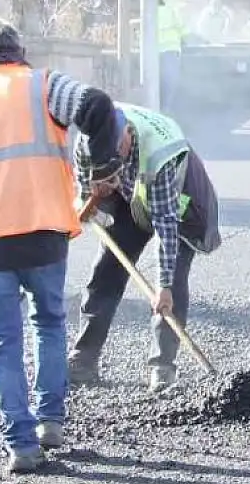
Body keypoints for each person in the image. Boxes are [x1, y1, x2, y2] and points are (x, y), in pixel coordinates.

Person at [0, 18, 119, 474]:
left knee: (3, 340)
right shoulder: (44, 86)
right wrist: (101, 172)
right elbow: (98, 107)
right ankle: (50, 421)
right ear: (19, 50)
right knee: (49, 325)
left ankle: (20, 445)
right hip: (44, 231)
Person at [69, 101, 222, 394]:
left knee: (173, 280)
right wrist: (90, 202)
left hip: (179, 201)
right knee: (106, 269)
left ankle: (162, 366)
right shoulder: (87, 140)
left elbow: (166, 226)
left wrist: (162, 286)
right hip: (130, 197)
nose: (113, 159)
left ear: (127, 133)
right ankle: (84, 358)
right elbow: (83, 190)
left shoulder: (160, 155)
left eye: (117, 155)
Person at [158, 0, 186, 112]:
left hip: (155, 50)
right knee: (171, 79)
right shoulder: (171, 10)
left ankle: (157, 104)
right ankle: (167, 107)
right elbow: (182, 28)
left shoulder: (146, 12)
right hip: (171, 49)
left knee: (158, 79)